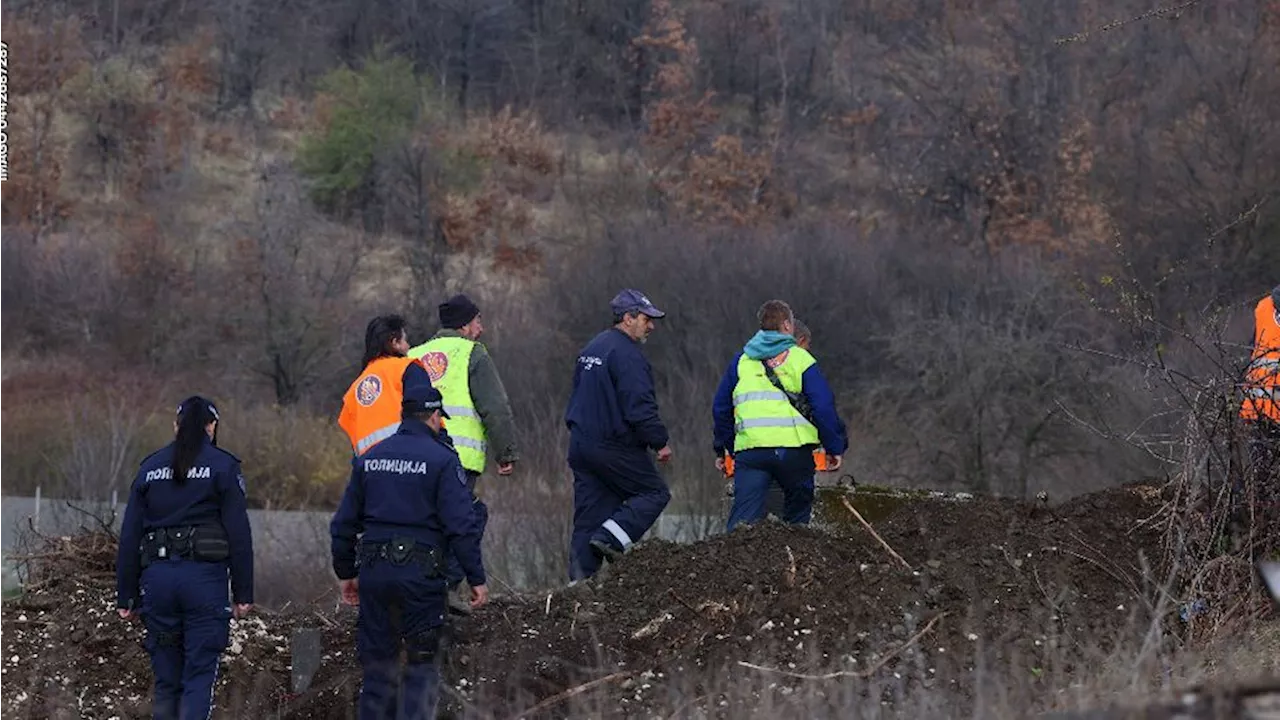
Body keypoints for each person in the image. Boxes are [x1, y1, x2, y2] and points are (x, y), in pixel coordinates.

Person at [330, 381, 489, 720]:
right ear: (433, 416)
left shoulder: (371, 458)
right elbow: (461, 525)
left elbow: (343, 524)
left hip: (374, 572)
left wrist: (346, 573)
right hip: (421, 576)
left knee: (377, 669)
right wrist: (476, 577)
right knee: (420, 665)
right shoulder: (443, 460)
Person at [115, 396, 254, 720]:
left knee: (166, 682)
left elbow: (130, 536)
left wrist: (126, 594)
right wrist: (244, 592)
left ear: (175, 426)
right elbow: (239, 535)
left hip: (158, 583)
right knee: (198, 676)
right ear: (212, 426)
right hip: (204, 584)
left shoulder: (149, 468)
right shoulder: (223, 466)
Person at [407, 293, 517, 611]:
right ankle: (444, 590)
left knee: (426, 523)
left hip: (414, 455)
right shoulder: (473, 353)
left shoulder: (414, 354)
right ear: (465, 325)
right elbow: (495, 407)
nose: (481, 329)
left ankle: (418, 590)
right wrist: (506, 451)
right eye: (478, 321)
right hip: (459, 459)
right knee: (462, 521)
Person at [564, 289, 673, 581]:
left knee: (588, 518)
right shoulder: (627, 355)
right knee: (654, 493)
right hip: (613, 445)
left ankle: (577, 587)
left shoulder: (591, 349)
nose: (651, 326)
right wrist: (659, 441)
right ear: (628, 318)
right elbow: (638, 405)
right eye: (646, 319)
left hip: (580, 444)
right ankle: (612, 540)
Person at [713, 300, 849, 531]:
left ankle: (733, 562)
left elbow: (720, 409)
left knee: (741, 523)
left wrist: (728, 447)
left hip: (751, 453)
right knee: (798, 517)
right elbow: (823, 407)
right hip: (793, 453)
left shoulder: (740, 362)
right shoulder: (801, 360)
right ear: (787, 325)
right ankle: (793, 560)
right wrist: (834, 447)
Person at [339, 314, 434, 456]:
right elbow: (428, 416)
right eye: (405, 340)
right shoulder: (407, 368)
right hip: (409, 461)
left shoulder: (353, 391)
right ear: (395, 343)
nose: (408, 346)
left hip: (370, 469)